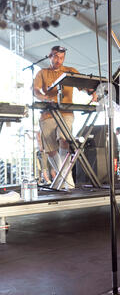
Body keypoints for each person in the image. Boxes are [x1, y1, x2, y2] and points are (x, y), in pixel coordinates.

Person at [33, 45, 97, 190]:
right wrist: (44, 98)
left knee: (64, 140)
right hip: (47, 114)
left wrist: (92, 92)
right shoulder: (42, 73)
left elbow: (84, 85)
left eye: (62, 57)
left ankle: (67, 182)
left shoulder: (70, 71)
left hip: (66, 113)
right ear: (50, 56)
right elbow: (36, 90)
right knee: (50, 150)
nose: (59, 60)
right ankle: (65, 181)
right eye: (56, 57)